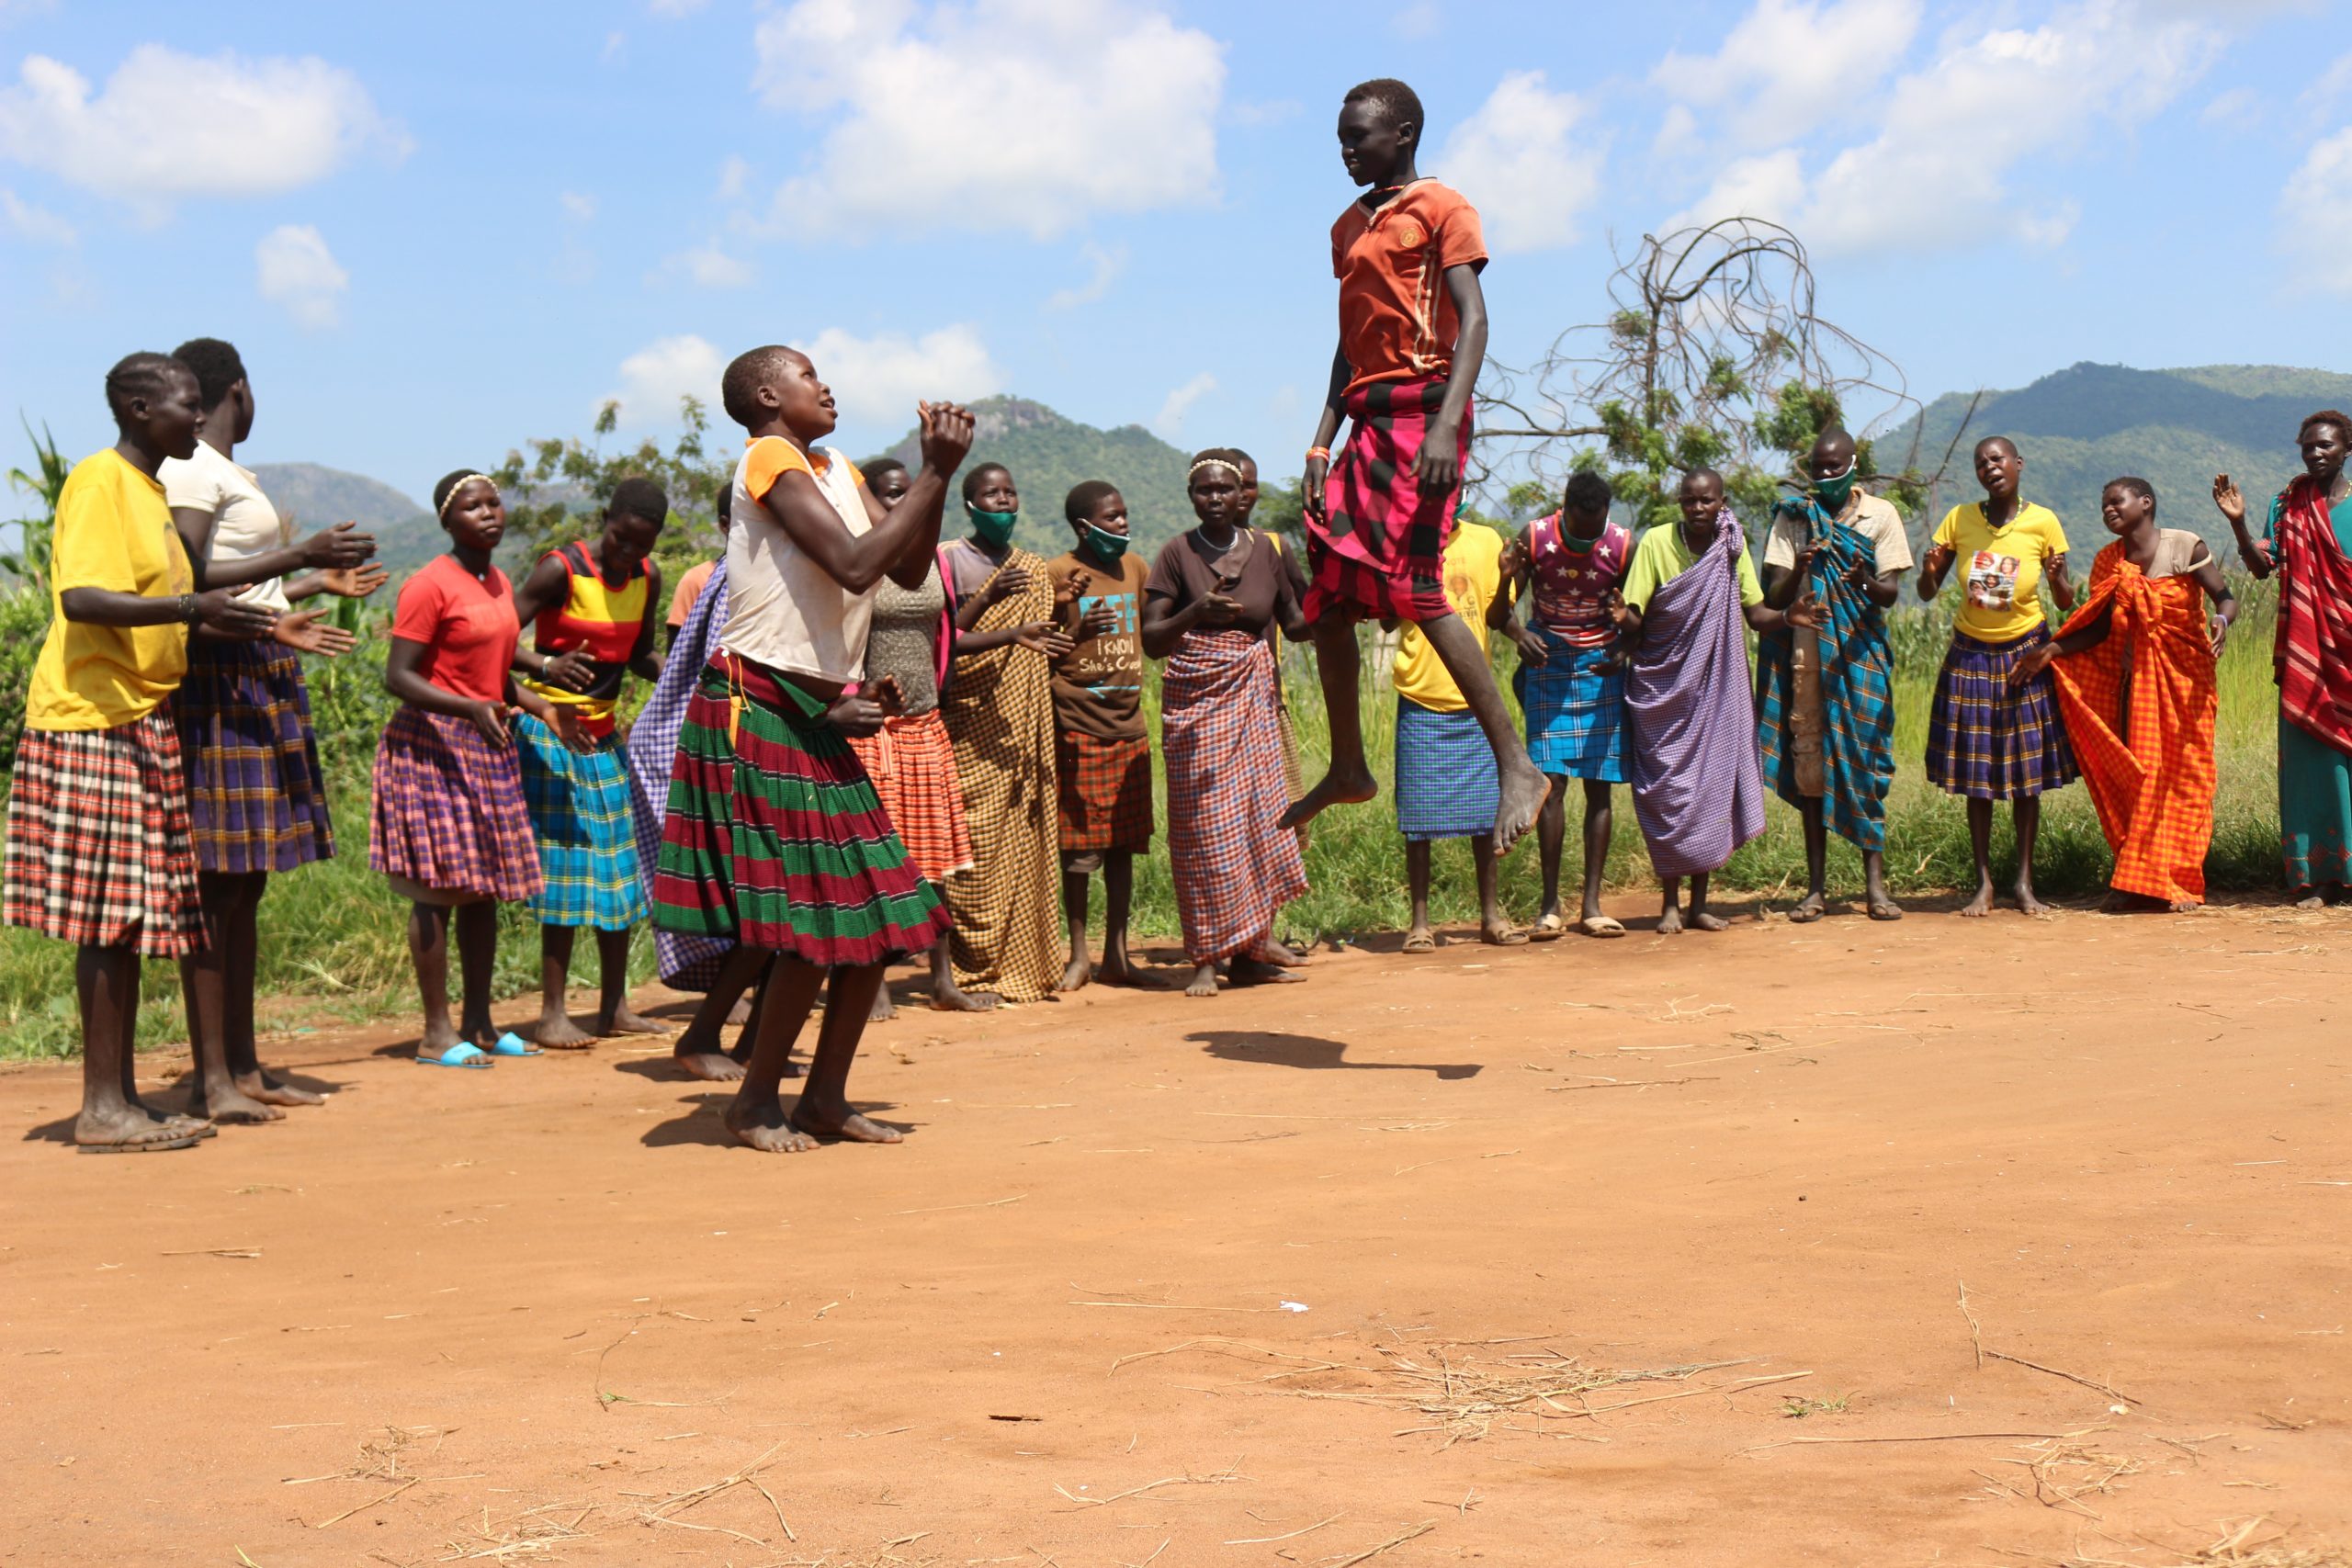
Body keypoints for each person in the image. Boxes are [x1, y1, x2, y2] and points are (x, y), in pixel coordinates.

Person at [652, 344, 974, 1152]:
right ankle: (756, 1099)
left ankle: (824, 1097)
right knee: (810, 922)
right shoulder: (768, 457)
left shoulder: (833, 465)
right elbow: (855, 563)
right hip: (756, 707)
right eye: (807, 374)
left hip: (812, 710)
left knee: (879, 911)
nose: (825, 385)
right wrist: (932, 471)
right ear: (767, 395)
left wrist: (934, 476)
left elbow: (903, 570)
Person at [3, 353, 278, 1150]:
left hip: (137, 714)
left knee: (127, 918)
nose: (198, 419)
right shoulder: (100, 480)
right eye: (186, 406)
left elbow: (156, 604)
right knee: (108, 919)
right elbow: (82, 599)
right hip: (93, 715)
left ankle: (119, 1097)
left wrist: (219, 617)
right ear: (135, 406)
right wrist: (192, 603)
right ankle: (101, 1106)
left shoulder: (150, 490)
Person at [1286, 77, 1546, 858]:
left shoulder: (1442, 207)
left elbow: (1476, 321)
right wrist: (1320, 441)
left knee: (1415, 585)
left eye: (1359, 136)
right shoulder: (1346, 227)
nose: (1346, 149)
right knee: (1329, 592)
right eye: (1340, 138)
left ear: (1401, 133)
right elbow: (1348, 342)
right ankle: (1348, 764)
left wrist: (1443, 426)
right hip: (1365, 418)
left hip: (1425, 413)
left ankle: (1515, 764)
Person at [160, 336, 385, 1122]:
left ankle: (242, 1063)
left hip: (253, 668)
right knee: (218, 886)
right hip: (219, 680)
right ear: (240, 391)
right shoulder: (192, 468)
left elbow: (238, 579)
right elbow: (188, 583)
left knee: (243, 886)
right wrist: (300, 551)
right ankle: (211, 1076)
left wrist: (307, 579)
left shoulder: (225, 473)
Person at [370, 472, 565, 1066]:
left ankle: (480, 1022)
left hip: (489, 742)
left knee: (484, 891)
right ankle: (436, 1031)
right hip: (434, 745)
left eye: (493, 503)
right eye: (472, 507)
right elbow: (399, 674)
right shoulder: (429, 585)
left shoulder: (498, 580)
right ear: (448, 522)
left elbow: (494, 665)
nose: (488, 514)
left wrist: (537, 695)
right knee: (437, 889)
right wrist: (468, 705)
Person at [2014, 479, 2233, 912]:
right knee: (2141, 777)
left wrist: (2223, 622)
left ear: (2145, 502)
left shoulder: (2184, 546)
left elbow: (2225, 596)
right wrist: (2052, 650)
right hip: (2135, 687)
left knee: (2186, 780)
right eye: (2104, 505)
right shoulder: (2109, 562)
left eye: (2117, 501)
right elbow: (2096, 626)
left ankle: (2176, 878)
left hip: (2186, 684)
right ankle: (2140, 879)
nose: (2108, 510)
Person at [1618, 468, 1814, 934]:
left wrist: (1789, 614)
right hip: (1662, 688)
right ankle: (1669, 902)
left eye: (1706, 501)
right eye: (1689, 501)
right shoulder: (1656, 543)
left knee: (1709, 788)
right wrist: (1619, 616)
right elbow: (1635, 616)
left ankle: (1699, 903)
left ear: (1721, 501)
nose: (1698, 508)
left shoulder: (1731, 544)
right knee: (1665, 790)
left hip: (1714, 686)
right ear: (1679, 502)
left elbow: (1755, 613)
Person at [1145, 452, 1310, 998]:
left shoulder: (1268, 550)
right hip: (1197, 705)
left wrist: (1349, 599)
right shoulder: (1175, 552)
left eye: (1224, 490)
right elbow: (1151, 640)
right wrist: (1197, 614)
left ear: (1241, 494)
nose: (1214, 499)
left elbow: (1295, 621)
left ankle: (1249, 954)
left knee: (1259, 825)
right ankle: (1206, 957)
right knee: (1205, 830)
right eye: (1203, 491)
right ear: (1191, 496)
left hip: (1254, 701)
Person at [511, 480, 670, 1046]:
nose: (628, 554)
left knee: (617, 871)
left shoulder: (648, 579)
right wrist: (544, 665)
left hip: (603, 737)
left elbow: (639, 653)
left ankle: (615, 1006)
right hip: (553, 731)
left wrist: (682, 667)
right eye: (620, 539)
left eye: (641, 546)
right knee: (565, 870)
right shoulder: (561, 569)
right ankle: (552, 1012)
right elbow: (494, 634)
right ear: (605, 520)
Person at [625, 510, 774, 1082]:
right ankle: (706, 1033)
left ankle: (753, 1042)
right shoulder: (737, 575)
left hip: (774, 743)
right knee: (770, 909)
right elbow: (725, 674)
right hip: (739, 748)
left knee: (784, 915)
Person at [845, 457, 989, 1016]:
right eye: (887, 496)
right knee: (876, 856)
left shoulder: (933, 560)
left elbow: (949, 632)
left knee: (936, 855)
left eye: (907, 495)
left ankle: (941, 980)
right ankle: (872, 980)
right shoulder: (856, 561)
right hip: (872, 727)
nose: (900, 505)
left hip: (926, 722)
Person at [1755, 429, 1911, 923]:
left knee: (1864, 762)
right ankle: (1816, 888)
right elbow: (1772, 595)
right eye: (1817, 469)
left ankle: (1875, 887)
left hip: (1860, 656)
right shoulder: (1793, 516)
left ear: (1853, 463)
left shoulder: (1881, 515)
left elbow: (1889, 592)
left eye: (1834, 467)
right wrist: (1799, 565)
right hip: (1805, 656)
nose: (1826, 477)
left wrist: (1860, 579)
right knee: (1810, 768)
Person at [1917, 436, 2077, 917]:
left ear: (2018, 465)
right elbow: (1928, 591)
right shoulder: (1960, 520)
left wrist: (2056, 577)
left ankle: (2024, 883)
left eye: (1997, 459)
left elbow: (2066, 599)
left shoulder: (2043, 521)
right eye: (1981, 463)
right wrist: (1927, 572)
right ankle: (1984, 883)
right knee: (1977, 775)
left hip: (2026, 654)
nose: (1990, 468)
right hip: (1971, 656)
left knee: (2026, 778)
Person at [936, 463, 1069, 1006]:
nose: (1004, 503)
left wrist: (1069, 620)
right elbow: (943, 641)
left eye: (1011, 494)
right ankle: (965, 968)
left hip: (1022, 727)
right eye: (991, 495)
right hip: (970, 723)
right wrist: (993, 601)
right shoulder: (947, 560)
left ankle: (1024, 963)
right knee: (971, 842)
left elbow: (1046, 647)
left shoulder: (1034, 567)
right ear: (969, 505)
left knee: (1023, 839)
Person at [2215, 410, 2352, 906]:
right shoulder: (2287, 506)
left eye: (2326, 446)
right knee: (2312, 765)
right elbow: (2260, 567)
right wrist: (2239, 525)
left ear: (2346, 449)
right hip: (2307, 656)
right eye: (2308, 446)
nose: (2316, 453)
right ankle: (2317, 877)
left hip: (2349, 650)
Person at [1490, 470, 1632, 939]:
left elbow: (1634, 615)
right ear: (1564, 509)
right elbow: (1499, 615)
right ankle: (1550, 906)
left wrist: (1623, 652)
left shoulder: (1621, 545)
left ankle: (1591, 905)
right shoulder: (1535, 538)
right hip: (1548, 663)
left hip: (1600, 669)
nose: (1590, 536)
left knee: (1599, 786)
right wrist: (1519, 633)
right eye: (1582, 526)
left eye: (1598, 526)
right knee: (1551, 785)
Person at [1046, 480, 1159, 990]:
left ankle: (1117, 954)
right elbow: (1042, 647)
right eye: (1112, 518)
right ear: (1083, 527)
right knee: (1079, 851)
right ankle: (1078, 956)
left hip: (1128, 724)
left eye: (1124, 515)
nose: (1122, 525)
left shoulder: (1134, 569)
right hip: (1077, 724)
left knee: (1122, 845)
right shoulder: (1057, 573)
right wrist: (1076, 631)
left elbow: (1153, 634)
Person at [1393, 514, 1520, 951]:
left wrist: (1506, 579)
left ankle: (1490, 916)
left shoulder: (1485, 540)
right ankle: (1420, 924)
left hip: (1475, 700)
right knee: (1418, 821)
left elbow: (1498, 617)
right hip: (1421, 693)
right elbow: (1389, 621)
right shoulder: (1404, 540)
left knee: (1487, 819)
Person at [1227, 449, 1313, 968]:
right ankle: (1235, 941)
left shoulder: (1275, 547)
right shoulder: (1188, 552)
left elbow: (1298, 620)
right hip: (1215, 709)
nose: (1241, 494)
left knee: (1277, 825)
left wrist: (1339, 607)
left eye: (1250, 485)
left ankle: (1262, 935)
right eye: (1232, 485)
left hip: (1266, 701)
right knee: (1228, 828)